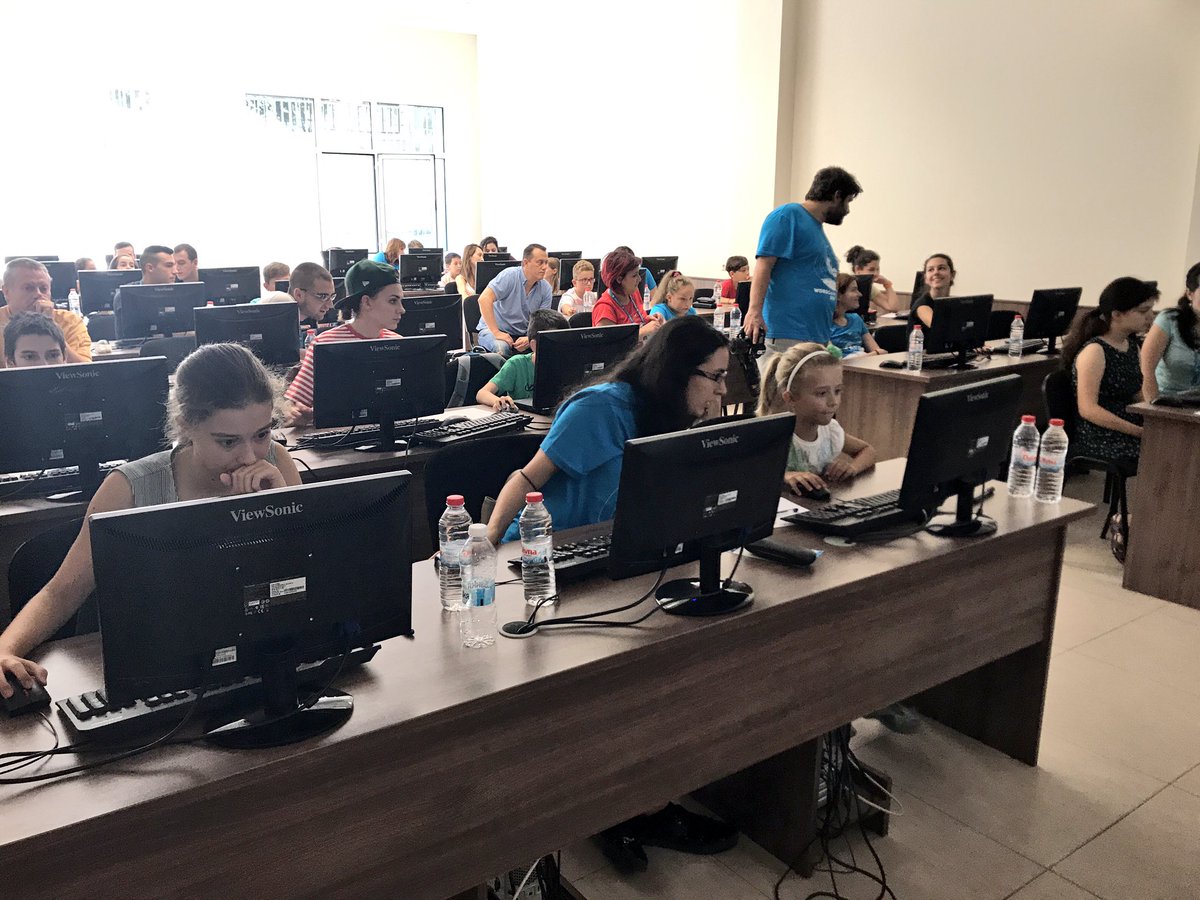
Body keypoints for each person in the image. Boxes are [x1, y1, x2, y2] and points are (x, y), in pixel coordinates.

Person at [485, 315, 737, 869]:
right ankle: (625, 809)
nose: (723, 389)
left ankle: (633, 800)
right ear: (677, 372)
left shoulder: (676, 413)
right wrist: (489, 539)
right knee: (630, 676)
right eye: (715, 377)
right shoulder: (602, 409)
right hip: (554, 566)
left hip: (626, 558)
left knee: (685, 655)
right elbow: (528, 478)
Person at [0, 342, 302, 696]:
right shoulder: (129, 488)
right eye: (227, 441)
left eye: (262, 434)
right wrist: (6, 648)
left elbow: (307, 578)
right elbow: (60, 592)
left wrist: (279, 507)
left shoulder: (277, 465)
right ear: (186, 425)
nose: (250, 456)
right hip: (159, 672)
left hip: (256, 660)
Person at [744, 166, 862, 359]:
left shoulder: (816, 229)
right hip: (787, 333)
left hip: (816, 336)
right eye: (847, 201)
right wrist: (754, 311)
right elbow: (764, 265)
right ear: (837, 195)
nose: (847, 210)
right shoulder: (787, 216)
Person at [284, 260, 405, 424]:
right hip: (340, 434)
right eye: (393, 301)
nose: (402, 309)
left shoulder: (399, 343)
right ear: (366, 302)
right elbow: (293, 406)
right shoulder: (326, 344)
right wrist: (296, 413)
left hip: (391, 430)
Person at [757, 342, 877, 495]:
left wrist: (852, 468)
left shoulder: (830, 431)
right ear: (790, 398)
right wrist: (784, 476)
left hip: (817, 506)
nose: (833, 402)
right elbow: (752, 474)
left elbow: (868, 450)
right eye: (821, 393)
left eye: (837, 391)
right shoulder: (774, 435)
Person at [1062, 276, 1158, 465]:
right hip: (1100, 435)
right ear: (1117, 314)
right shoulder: (1095, 350)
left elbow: (1135, 393)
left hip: (1126, 426)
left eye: (1151, 310)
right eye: (1143, 311)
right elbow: (1088, 410)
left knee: (1174, 440)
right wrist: (1138, 431)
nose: (1151, 317)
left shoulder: (1131, 346)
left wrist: (1157, 413)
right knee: (1166, 450)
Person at [0, 258, 91, 367]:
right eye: (28, 288)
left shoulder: (70, 321)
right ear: (6, 292)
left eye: (43, 289)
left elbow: (86, 371)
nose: (38, 294)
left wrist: (50, 325)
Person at [476, 308, 568, 411]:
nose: (560, 347)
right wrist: (498, 401)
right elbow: (482, 393)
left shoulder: (567, 364)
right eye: (554, 342)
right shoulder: (517, 364)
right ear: (534, 345)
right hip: (526, 416)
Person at [476, 243, 552, 357]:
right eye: (540, 262)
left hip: (523, 335)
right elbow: (484, 299)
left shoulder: (546, 288)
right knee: (501, 348)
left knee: (548, 349)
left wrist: (530, 338)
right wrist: (496, 332)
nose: (545, 267)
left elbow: (542, 321)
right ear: (525, 263)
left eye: (546, 262)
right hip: (493, 330)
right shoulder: (509, 276)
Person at [1141, 261, 1200, 401]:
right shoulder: (1169, 320)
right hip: (1167, 402)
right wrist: (1153, 406)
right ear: (1190, 294)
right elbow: (1146, 370)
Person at [592, 248, 663, 340]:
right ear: (619, 279)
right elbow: (609, 345)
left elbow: (636, 322)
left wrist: (649, 320)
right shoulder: (604, 308)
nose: (639, 279)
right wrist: (642, 332)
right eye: (634, 275)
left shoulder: (633, 293)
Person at [110, 244, 177, 312]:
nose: (175, 271)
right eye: (169, 266)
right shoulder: (125, 296)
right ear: (150, 268)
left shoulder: (179, 293)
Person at [830, 274, 885, 356]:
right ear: (838, 295)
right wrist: (872, 354)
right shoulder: (824, 325)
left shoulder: (856, 319)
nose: (860, 294)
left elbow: (878, 351)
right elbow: (835, 359)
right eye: (853, 290)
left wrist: (874, 353)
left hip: (863, 362)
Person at [845, 245, 900, 314]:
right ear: (857, 269)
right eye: (871, 270)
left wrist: (887, 284)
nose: (876, 273)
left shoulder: (869, 288)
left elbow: (893, 308)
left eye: (878, 269)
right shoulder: (845, 284)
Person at [908, 253, 956, 329]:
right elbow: (941, 329)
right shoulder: (922, 305)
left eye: (941, 268)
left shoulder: (953, 303)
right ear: (925, 278)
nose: (936, 272)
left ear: (952, 275)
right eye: (930, 270)